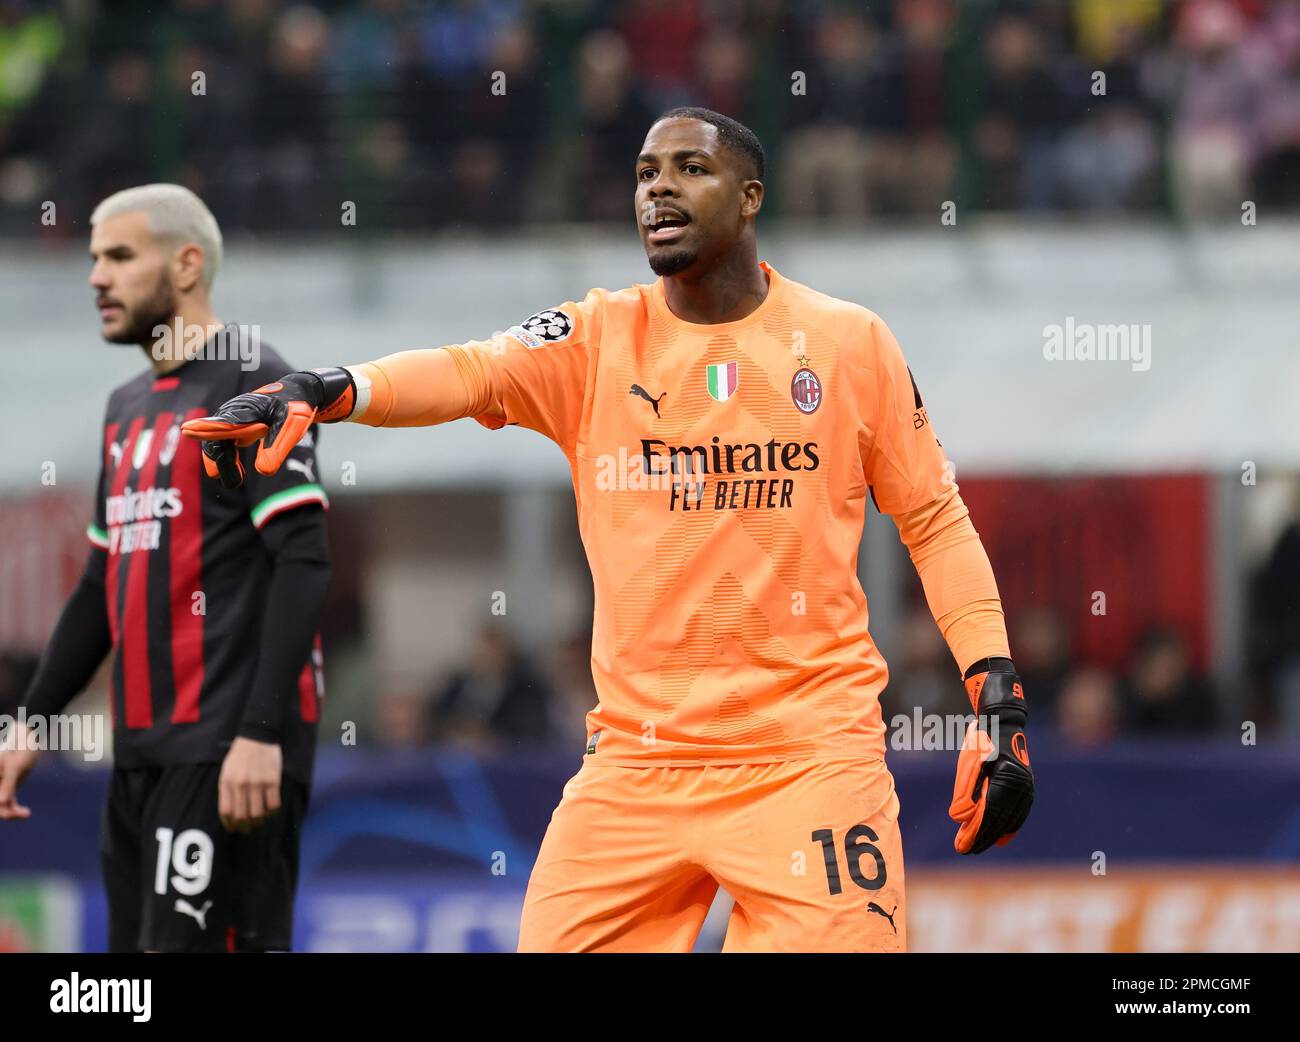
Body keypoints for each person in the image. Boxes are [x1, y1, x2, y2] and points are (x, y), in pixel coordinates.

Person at [185, 108, 1033, 953]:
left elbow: (935, 521)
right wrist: (332, 388)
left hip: (807, 765)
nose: (658, 186)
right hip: (635, 768)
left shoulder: (851, 345)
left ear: (749, 198)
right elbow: (471, 371)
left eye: (688, 169)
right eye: (643, 172)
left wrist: (996, 696)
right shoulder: (594, 338)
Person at [0, 184, 330, 953]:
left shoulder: (256, 383)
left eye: (119, 256)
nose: (96, 278)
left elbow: (305, 559)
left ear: (186, 264)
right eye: (92, 260)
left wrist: (259, 735)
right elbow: (100, 584)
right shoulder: (127, 405)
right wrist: (32, 723)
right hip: (143, 750)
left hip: (229, 752)